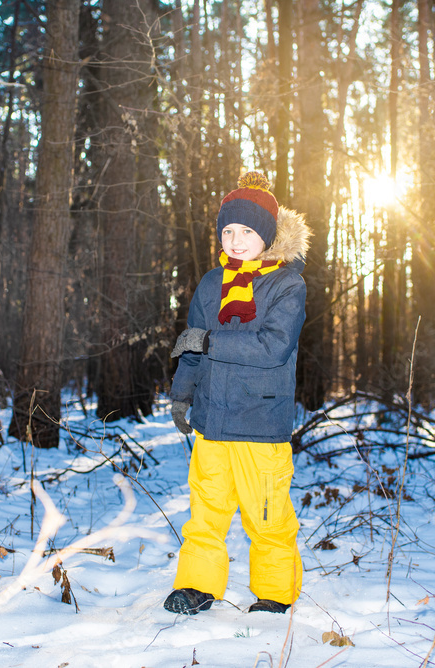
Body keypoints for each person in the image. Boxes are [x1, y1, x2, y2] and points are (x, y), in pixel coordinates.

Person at [164, 171, 311, 615]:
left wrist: (208, 342)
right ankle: (196, 586)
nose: (236, 239)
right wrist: (181, 394)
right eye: (228, 230)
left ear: (266, 234)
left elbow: (272, 347)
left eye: (246, 230)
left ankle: (273, 593)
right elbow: (192, 345)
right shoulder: (212, 283)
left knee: (266, 516)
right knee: (205, 513)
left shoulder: (287, 285)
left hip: (260, 422)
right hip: (212, 422)